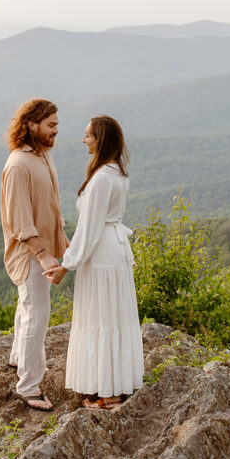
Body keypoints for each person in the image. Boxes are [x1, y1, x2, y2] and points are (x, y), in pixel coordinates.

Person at [46, 115, 144, 410]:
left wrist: (67, 264)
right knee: (115, 317)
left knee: (101, 318)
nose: (84, 139)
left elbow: (90, 229)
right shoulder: (117, 173)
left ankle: (108, 394)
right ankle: (116, 387)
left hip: (101, 254)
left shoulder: (101, 178)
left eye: (88, 135)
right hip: (115, 250)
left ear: (100, 139)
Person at [0, 98, 69, 411]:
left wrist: (62, 239)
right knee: (37, 315)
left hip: (43, 248)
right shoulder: (18, 165)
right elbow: (21, 222)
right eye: (51, 124)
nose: (57, 130)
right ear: (31, 125)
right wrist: (44, 257)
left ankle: (17, 358)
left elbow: (50, 207)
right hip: (29, 254)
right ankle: (28, 386)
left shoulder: (43, 157)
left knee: (27, 306)